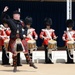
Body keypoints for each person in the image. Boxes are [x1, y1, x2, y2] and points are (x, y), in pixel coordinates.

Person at [1, 6, 37, 72]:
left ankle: (30, 62)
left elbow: (26, 28)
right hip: (13, 39)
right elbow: (2, 19)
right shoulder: (10, 21)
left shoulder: (21, 22)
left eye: (19, 15)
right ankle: (15, 66)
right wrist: (4, 12)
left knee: (26, 50)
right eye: (17, 15)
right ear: (14, 16)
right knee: (14, 53)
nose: (18, 16)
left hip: (21, 38)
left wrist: (25, 34)